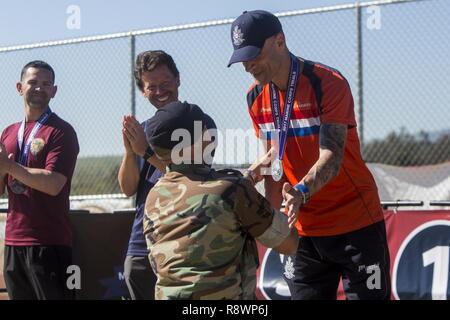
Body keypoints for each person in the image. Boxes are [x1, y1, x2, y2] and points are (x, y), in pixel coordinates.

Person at [227, 10, 391, 300]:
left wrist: (301, 191)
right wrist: (265, 215)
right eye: (242, 58)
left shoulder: (327, 82)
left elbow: (332, 155)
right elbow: (272, 164)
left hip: (356, 223)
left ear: (280, 41)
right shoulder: (254, 97)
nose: (248, 65)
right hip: (301, 232)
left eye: (254, 54)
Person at [142, 100, 298, 300]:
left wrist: (247, 179)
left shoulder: (154, 197)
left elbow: (203, 197)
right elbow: (287, 243)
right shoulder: (232, 190)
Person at [118, 50, 216, 300]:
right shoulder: (142, 130)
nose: (160, 91)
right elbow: (127, 189)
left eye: (166, 83)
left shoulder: (201, 123)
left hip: (186, 241)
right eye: (152, 86)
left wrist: (146, 151)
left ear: (178, 80)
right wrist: (130, 152)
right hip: (143, 243)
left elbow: (193, 176)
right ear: (142, 90)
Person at [0, 60, 79, 300]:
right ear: (19, 87)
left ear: (54, 91)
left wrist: (10, 166)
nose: (39, 88)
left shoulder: (61, 131)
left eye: (46, 84)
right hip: (14, 242)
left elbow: (54, 184)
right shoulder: (8, 132)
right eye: (33, 82)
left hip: (50, 242)